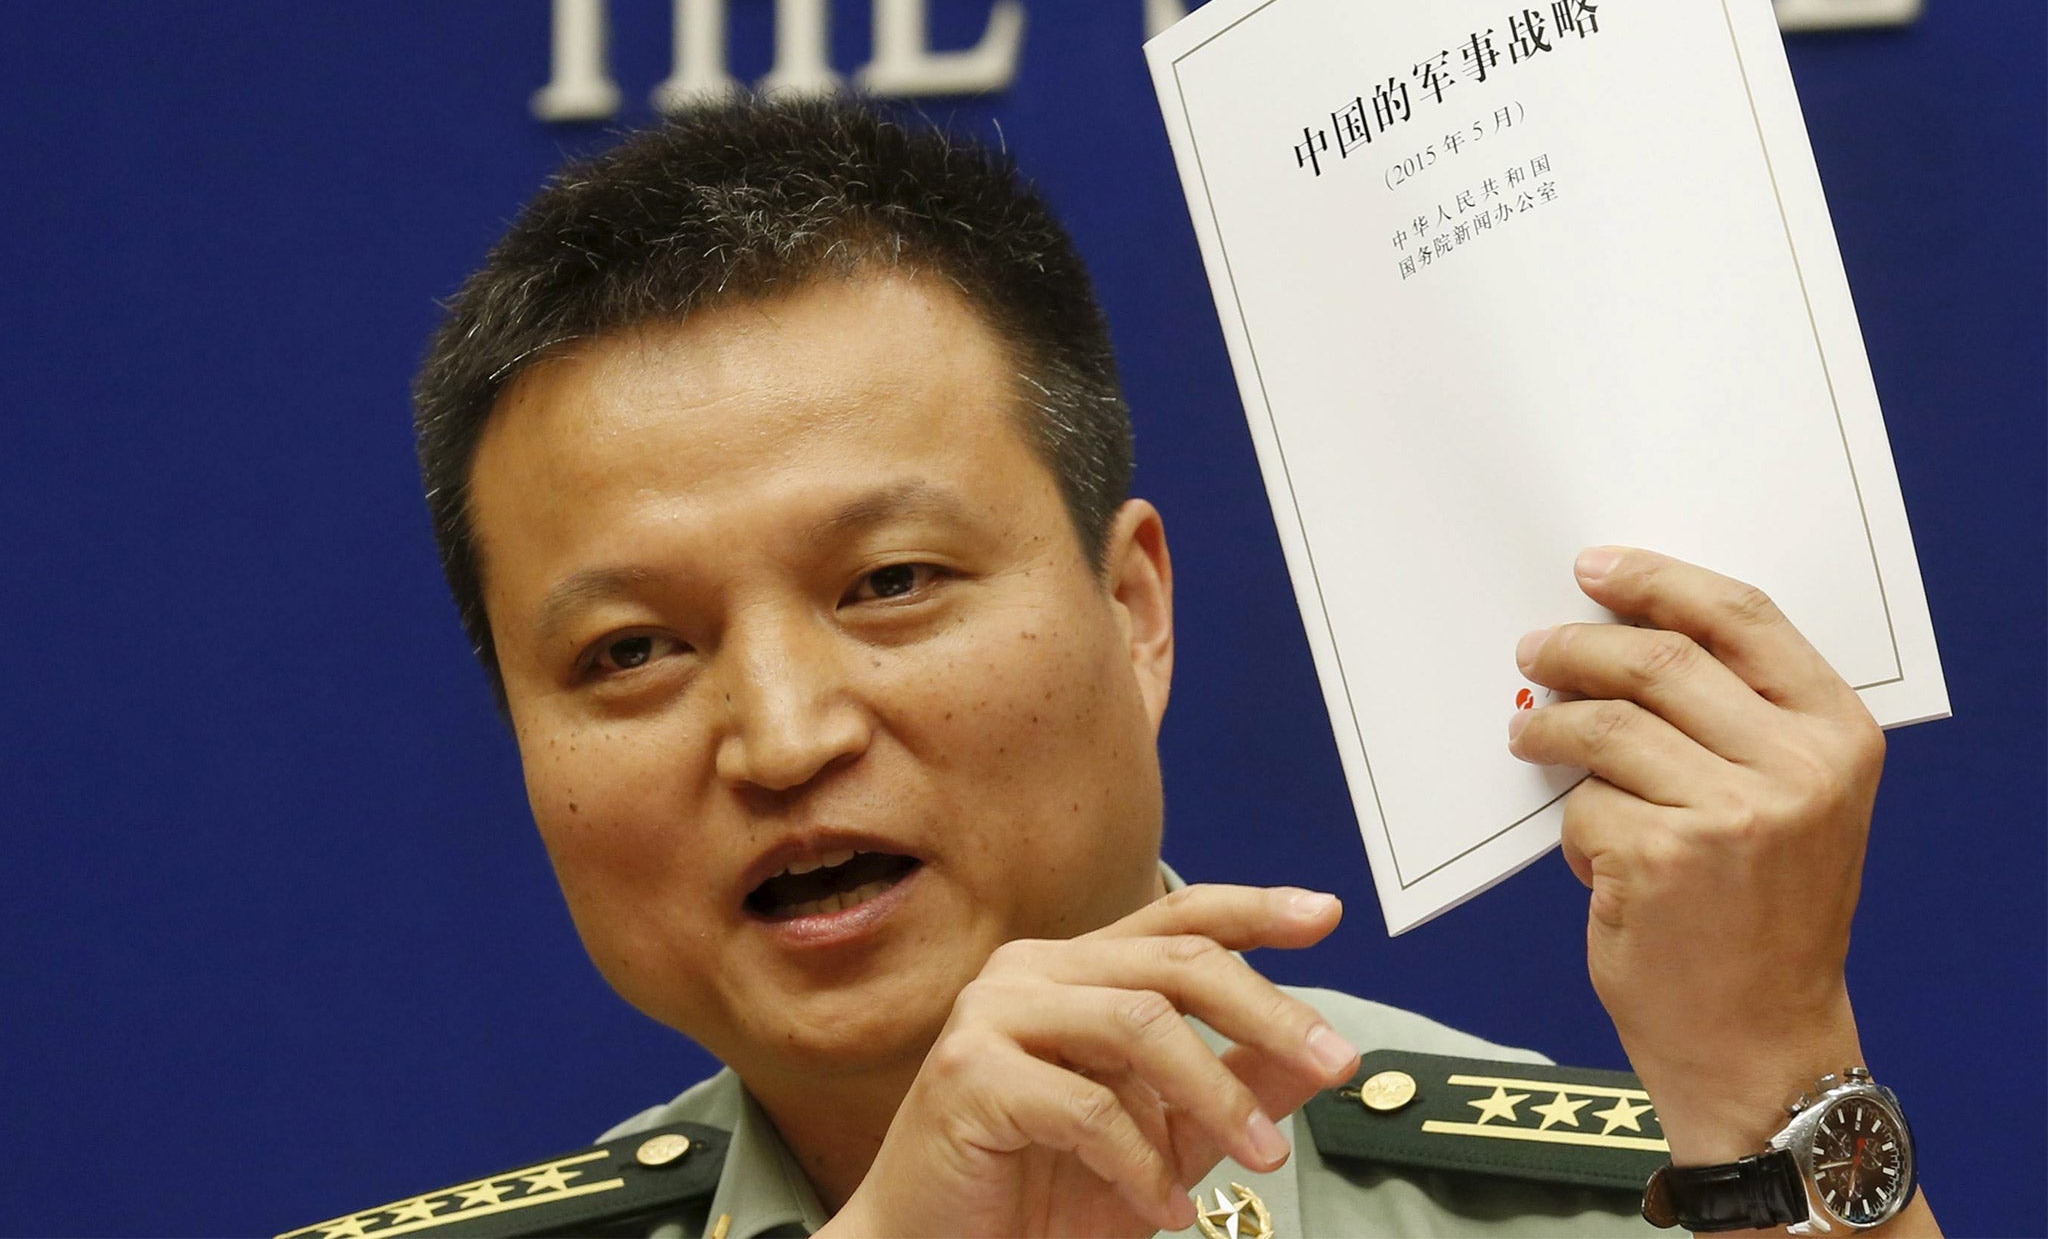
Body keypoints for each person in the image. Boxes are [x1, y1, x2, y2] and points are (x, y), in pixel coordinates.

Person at [374, 96, 1935, 1237]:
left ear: (1133, 612)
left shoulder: (1661, 1202)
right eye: (631, 650)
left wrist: (1776, 1073)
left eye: (891, 582)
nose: (781, 738)